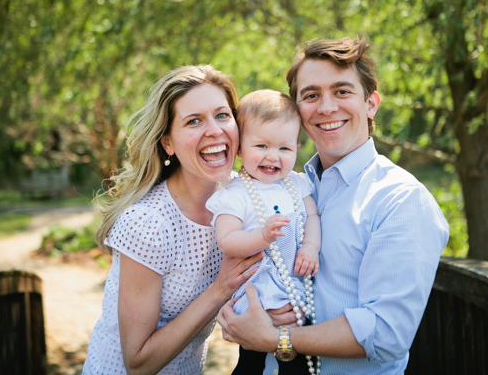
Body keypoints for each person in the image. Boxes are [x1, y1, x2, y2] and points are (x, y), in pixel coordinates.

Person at [217, 37, 450, 375]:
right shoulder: (288, 186)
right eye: (311, 95)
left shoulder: (401, 199)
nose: (326, 108)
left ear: (371, 104)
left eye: (342, 92)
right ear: (298, 112)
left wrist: (278, 337)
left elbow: (386, 334)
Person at [82, 65, 264, 375]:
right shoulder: (149, 223)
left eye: (222, 115)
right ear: (168, 143)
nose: (215, 131)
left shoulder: (244, 197)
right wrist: (219, 291)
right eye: (194, 121)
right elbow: (137, 362)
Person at [205, 90, 322, 374]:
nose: (273, 156)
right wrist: (262, 236)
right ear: (240, 148)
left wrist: (310, 247)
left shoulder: (298, 184)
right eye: (261, 146)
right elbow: (228, 240)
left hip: (296, 287)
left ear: (296, 147)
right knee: (255, 361)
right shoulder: (235, 195)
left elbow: (313, 217)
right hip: (259, 292)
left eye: (284, 149)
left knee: (301, 360)